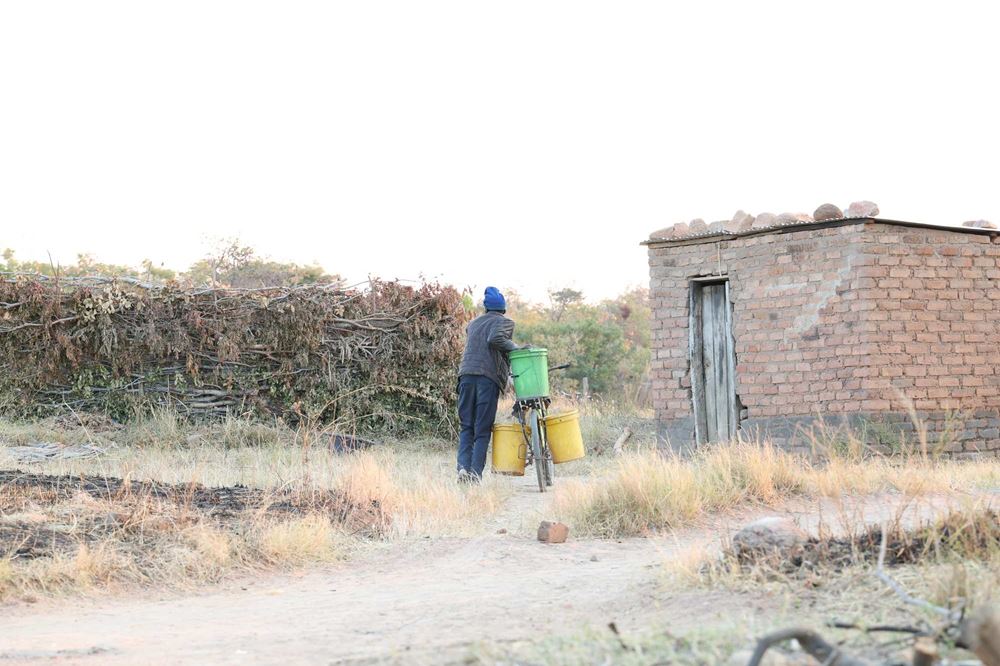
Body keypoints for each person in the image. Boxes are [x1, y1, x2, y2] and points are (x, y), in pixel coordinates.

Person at [456, 286, 524, 483]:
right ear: (503, 309)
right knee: (482, 429)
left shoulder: (473, 323)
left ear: (486, 308)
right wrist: (517, 350)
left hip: (466, 376)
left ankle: (462, 468)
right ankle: (475, 474)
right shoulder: (505, 322)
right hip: (487, 379)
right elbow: (495, 339)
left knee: (466, 426)